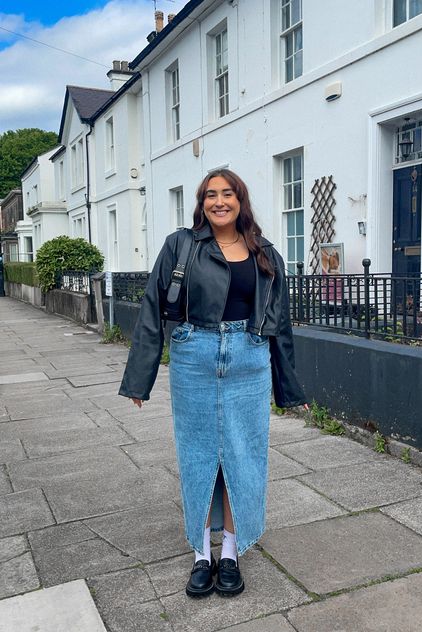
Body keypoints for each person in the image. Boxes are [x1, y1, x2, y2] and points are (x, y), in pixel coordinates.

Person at [119, 169, 306, 598]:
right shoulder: (180, 245)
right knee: (199, 457)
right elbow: (151, 308)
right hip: (194, 356)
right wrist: (139, 378)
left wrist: (289, 389)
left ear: (241, 200)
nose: (218, 201)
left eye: (227, 194)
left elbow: (279, 325)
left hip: (249, 359)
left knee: (243, 457)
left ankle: (231, 554)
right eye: (210, 195)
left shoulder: (266, 253)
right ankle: (202, 553)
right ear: (201, 203)